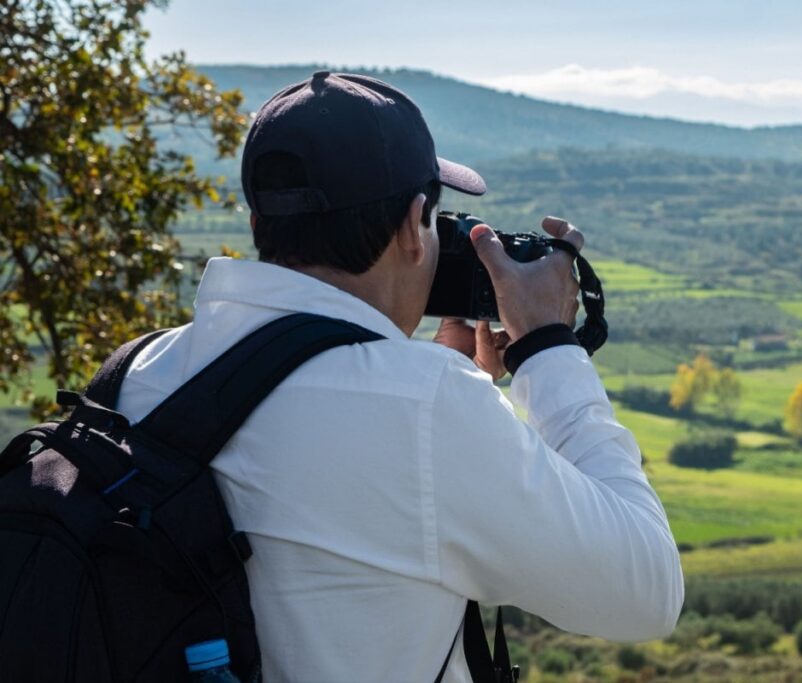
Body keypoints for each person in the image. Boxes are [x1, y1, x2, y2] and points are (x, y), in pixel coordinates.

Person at [117, 71, 683, 682]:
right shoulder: (426, 410)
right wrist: (547, 348)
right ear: (416, 223)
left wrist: (439, 399)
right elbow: (647, 591)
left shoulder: (138, 371)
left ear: (259, 223)